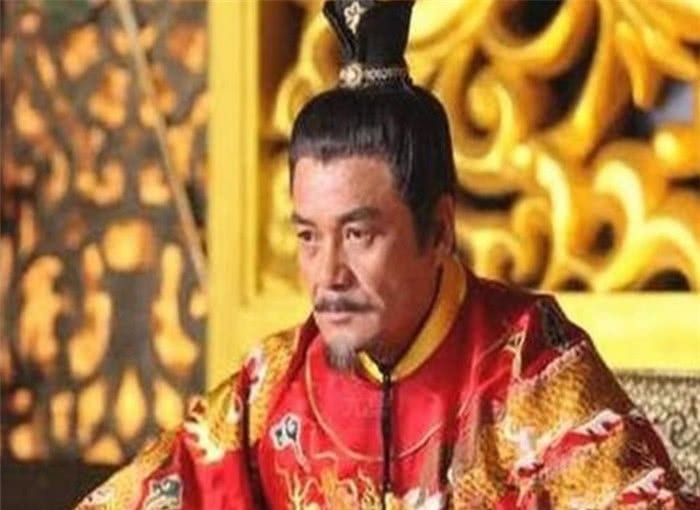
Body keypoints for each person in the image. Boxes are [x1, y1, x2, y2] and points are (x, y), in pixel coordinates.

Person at [76, 1, 699, 509]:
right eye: (308, 236)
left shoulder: (531, 368)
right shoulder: (274, 387)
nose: (328, 276)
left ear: (440, 229)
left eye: (358, 235)